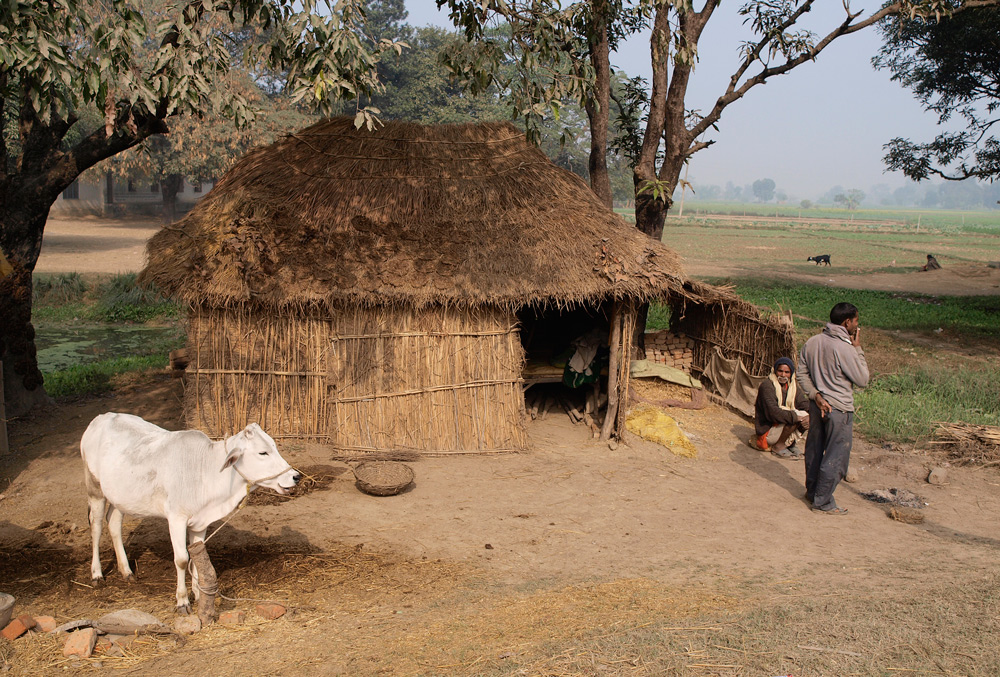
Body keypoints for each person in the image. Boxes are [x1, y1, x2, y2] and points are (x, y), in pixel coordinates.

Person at [796, 302, 869, 515]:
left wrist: (815, 395)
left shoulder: (812, 342)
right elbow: (863, 379)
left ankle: (813, 493)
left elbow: (802, 374)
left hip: (816, 405)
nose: (857, 325)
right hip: (839, 410)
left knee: (814, 451)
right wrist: (858, 349)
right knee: (836, 457)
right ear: (847, 322)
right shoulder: (845, 348)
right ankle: (823, 502)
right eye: (856, 321)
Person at [750, 357, 810, 459]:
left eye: (787, 372)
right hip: (768, 430)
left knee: (806, 416)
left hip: (779, 426)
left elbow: (804, 404)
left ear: (791, 374)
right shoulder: (767, 386)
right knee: (795, 416)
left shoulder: (792, 387)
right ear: (775, 371)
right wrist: (796, 416)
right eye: (780, 371)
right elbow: (773, 413)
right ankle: (778, 446)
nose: (783, 375)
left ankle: (789, 444)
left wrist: (810, 416)